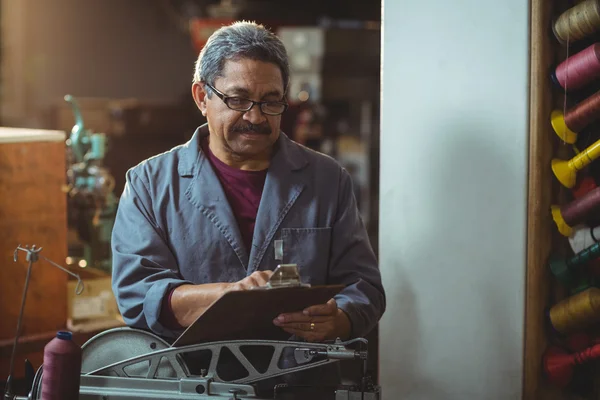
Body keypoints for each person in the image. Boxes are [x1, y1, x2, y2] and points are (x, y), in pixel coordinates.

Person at [111, 20, 385, 393]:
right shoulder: (149, 185)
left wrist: (340, 318)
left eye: (271, 101)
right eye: (237, 100)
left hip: (302, 385)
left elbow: (365, 286)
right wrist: (231, 297)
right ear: (201, 97)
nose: (255, 117)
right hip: (197, 386)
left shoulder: (326, 180)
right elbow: (138, 296)